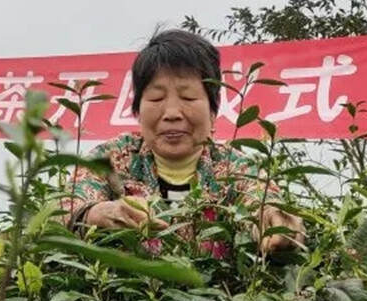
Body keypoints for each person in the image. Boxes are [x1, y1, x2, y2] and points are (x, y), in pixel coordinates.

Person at [61, 28, 305, 254]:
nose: (172, 113)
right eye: (156, 99)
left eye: (188, 98)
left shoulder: (234, 167)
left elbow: (259, 197)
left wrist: (274, 222)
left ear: (212, 109)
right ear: (137, 110)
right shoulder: (111, 158)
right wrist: (95, 215)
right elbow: (67, 207)